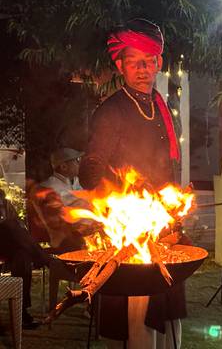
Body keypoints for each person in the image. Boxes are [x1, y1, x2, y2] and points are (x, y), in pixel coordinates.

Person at [79, 18, 184, 348]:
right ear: (120, 65)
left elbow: (169, 168)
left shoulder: (160, 107)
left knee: (164, 311)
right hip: (128, 235)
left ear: (159, 63)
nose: (142, 69)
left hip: (162, 229)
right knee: (134, 317)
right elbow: (90, 170)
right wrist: (121, 199)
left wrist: (174, 209)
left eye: (148, 61)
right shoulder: (111, 111)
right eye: (134, 62)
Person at [0, 189, 74, 329]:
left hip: (6, 243)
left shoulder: (2, 198)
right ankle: (46, 260)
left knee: (22, 255)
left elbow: (14, 221)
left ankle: (21, 312)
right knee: (13, 228)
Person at [37, 147, 91, 252]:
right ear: (64, 166)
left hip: (84, 232)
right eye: (76, 161)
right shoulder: (50, 187)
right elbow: (64, 214)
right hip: (67, 239)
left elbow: (87, 198)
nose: (79, 164)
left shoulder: (74, 181)